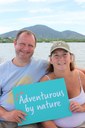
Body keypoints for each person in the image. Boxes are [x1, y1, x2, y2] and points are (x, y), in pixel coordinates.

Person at [0, 30, 48, 128]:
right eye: (22, 44)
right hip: (4, 120)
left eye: (30, 45)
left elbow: (67, 68)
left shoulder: (43, 65)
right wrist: (6, 115)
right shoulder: (2, 69)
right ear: (15, 43)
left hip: (29, 120)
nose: (26, 49)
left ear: (35, 47)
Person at [40, 41, 85, 128]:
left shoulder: (80, 76)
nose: (61, 58)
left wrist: (82, 107)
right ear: (51, 60)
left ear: (71, 57)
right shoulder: (46, 81)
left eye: (65, 54)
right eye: (56, 55)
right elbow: (44, 117)